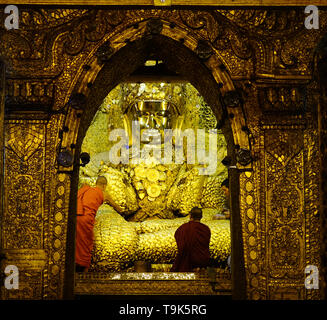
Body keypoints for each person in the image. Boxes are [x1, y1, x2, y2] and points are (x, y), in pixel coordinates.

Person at [75, 176, 108, 272]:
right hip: (86, 219)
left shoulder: (87, 190)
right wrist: (121, 210)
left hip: (76, 215)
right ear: (104, 186)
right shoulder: (103, 193)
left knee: (76, 241)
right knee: (87, 242)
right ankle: (84, 269)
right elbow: (116, 206)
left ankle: (75, 265)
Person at [171, 207, 211, 272]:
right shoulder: (206, 229)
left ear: (190, 215)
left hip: (188, 260)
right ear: (201, 217)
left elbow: (179, 241)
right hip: (203, 260)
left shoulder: (184, 228)